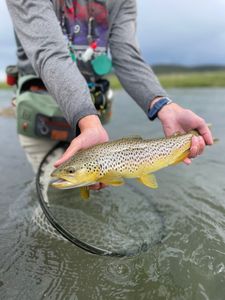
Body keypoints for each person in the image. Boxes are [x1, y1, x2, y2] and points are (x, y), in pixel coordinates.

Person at [6, 0, 213, 191]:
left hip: (94, 123)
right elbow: (49, 53)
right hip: (43, 116)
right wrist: (88, 121)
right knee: (56, 195)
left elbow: (127, 56)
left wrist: (164, 106)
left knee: (96, 192)